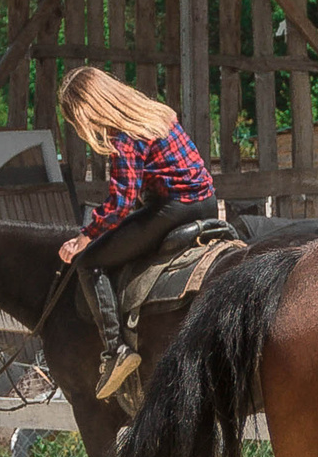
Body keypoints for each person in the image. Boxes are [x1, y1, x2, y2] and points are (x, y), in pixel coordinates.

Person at [54, 67, 220, 402]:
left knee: (91, 263)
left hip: (172, 207)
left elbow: (121, 201)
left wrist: (84, 238)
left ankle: (116, 349)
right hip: (206, 203)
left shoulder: (124, 135)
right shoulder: (155, 115)